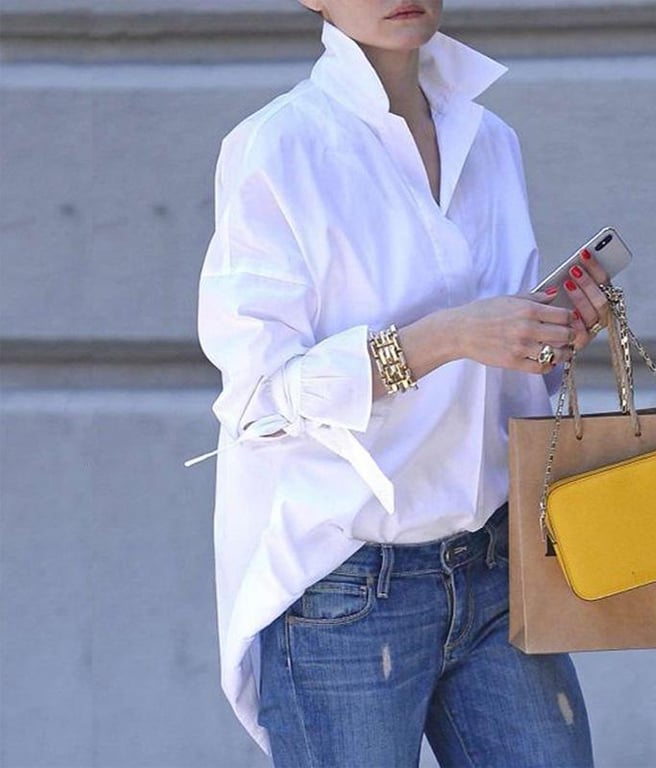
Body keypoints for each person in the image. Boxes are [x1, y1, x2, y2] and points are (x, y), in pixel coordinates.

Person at [194, 1, 611, 765]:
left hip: (495, 567)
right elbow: (260, 398)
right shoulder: (279, 148)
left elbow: (496, 390)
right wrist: (445, 337)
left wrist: (546, 339)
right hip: (347, 584)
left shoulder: (489, 140)